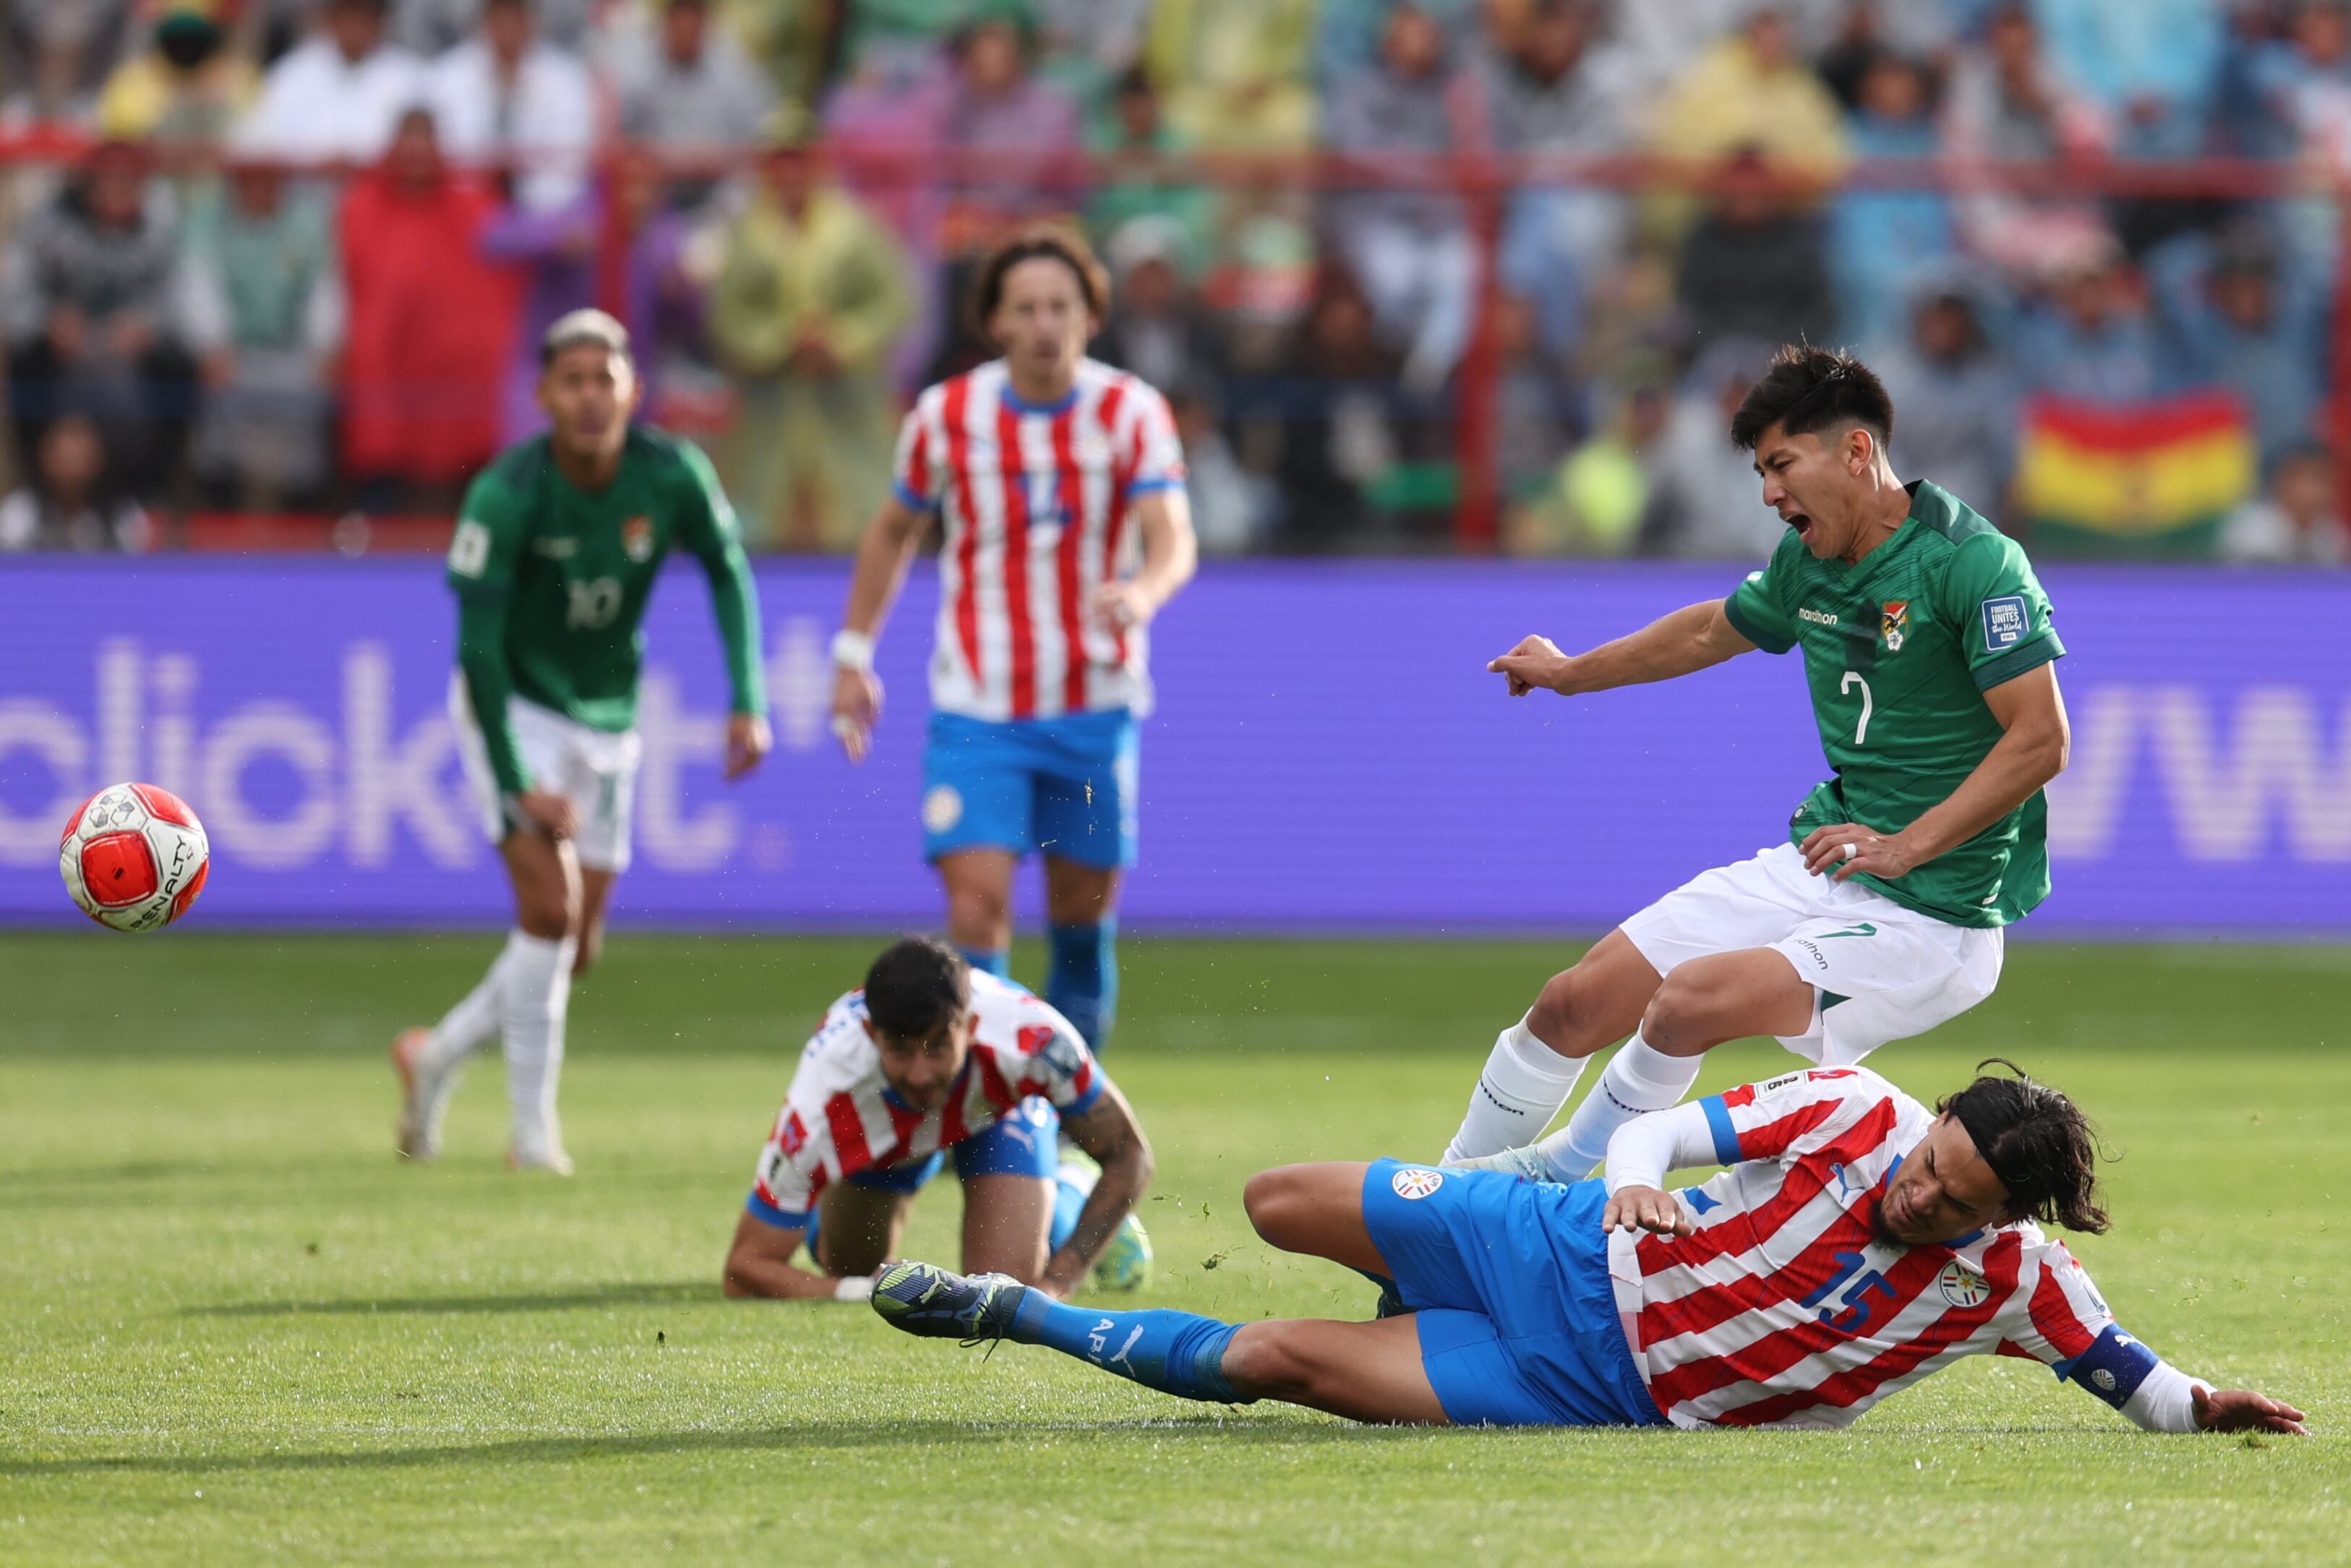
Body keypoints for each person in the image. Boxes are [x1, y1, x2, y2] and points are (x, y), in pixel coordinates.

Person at [872, 1061, 2308, 1436]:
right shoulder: (1845, 1108)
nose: (1921, 1196)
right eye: (1930, 1163)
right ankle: (1412, 1288)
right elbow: (1662, 1136)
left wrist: (2206, 1404)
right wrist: (1625, 1184)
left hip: (1591, 1382)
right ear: (1927, 1121)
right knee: (1271, 1199)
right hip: (1549, 1236)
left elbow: (2127, 1373)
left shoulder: (2017, 1286)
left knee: (1266, 1359)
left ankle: (1010, 1306)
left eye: (1954, 1200)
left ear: (2001, 1220)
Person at [1442, 343, 2071, 1183]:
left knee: (1689, 1003)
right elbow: (1710, 631)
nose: (1769, 492)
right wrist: (1569, 671)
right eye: (1760, 472)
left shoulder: (1972, 562)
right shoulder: (1808, 561)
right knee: (1571, 1003)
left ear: (1855, 452)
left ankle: (1545, 1185)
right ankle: (1436, 1203)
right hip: (1831, 859)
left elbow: (2040, 740)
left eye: (1781, 464)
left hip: (1935, 916)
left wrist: (1909, 843)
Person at [390, 309, 771, 1174]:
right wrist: (517, 777)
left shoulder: (671, 472)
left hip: (608, 715)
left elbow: (727, 568)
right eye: (575, 381)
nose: (593, 396)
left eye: (608, 379)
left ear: (634, 389)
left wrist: (747, 698)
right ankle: (533, 1138)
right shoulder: (508, 492)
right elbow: (477, 650)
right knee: (549, 915)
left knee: (576, 949)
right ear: (544, 395)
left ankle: (436, 1055)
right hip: (514, 704)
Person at [830, 226, 1196, 1074]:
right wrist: (854, 650)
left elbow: (1172, 535)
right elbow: (893, 530)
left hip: (1094, 707)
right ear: (993, 321)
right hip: (977, 708)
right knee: (979, 908)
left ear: (1090, 315)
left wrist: (1140, 591)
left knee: (1080, 921)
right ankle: (984, 1118)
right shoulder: (946, 416)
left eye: (1060, 306)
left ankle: (1064, 1118)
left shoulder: (1130, 412)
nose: (1043, 324)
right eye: (1024, 307)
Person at [722, 935, 1154, 1302]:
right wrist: (856, 1290)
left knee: (1005, 1289)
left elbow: (1130, 1155)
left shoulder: (1031, 1040)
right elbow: (743, 1270)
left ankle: (1070, 1188)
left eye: (937, 1046)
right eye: (901, 1050)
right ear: (873, 1036)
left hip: (995, 1114)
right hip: (890, 1142)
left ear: (970, 1024)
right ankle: (825, 1213)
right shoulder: (824, 1096)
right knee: (850, 1265)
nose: (921, 1073)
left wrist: (1058, 1282)